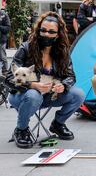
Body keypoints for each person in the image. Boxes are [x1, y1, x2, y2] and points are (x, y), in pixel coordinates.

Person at [6, 12, 85, 148]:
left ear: (58, 34)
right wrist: (32, 85)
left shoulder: (63, 51)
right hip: (21, 96)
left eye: (51, 31)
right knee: (33, 95)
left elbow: (70, 76)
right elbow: (8, 79)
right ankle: (21, 129)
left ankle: (58, 124)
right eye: (43, 30)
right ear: (38, 30)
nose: (46, 34)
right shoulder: (26, 48)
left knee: (78, 94)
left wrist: (63, 86)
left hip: (49, 96)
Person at [0, 5, 10, 75]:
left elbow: (7, 28)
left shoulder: (4, 15)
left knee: (3, 56)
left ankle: (5, 71)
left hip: (1, 41)